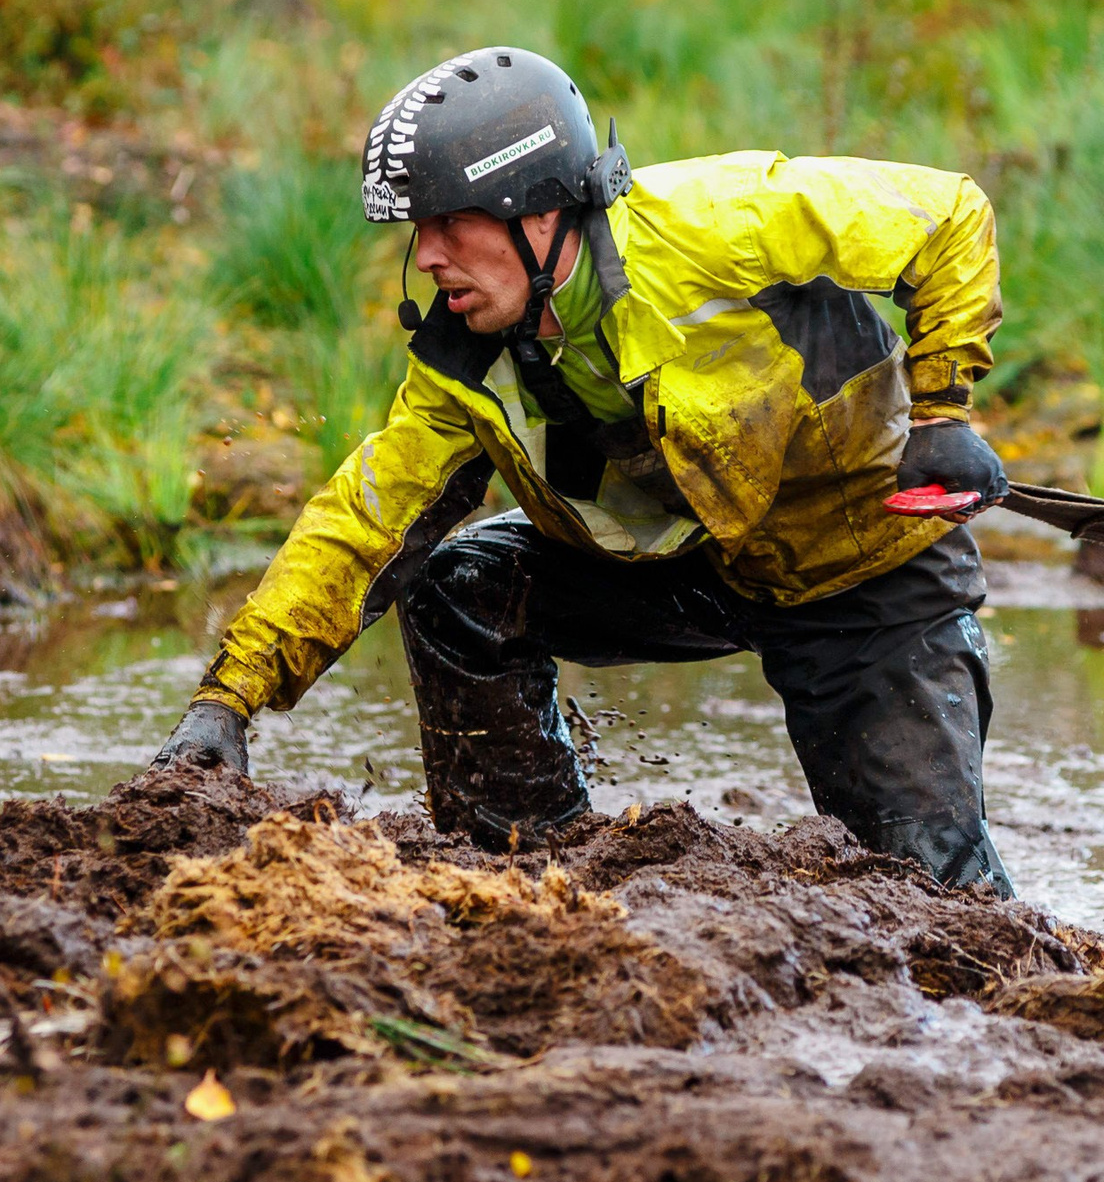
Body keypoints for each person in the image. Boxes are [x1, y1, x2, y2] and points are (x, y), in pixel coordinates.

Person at [154, 47, 1016, 896]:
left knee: (939, 905)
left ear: (534, 212)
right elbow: (360, 522)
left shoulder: (718, 222)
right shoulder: (464, 362)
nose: (426, 257)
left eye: (448, 222)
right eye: (417, 231)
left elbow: (948, 216)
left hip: (868, 579)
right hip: (690, 565)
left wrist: (942, 413)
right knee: (459, 589)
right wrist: (227, 700)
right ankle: (533, 870)